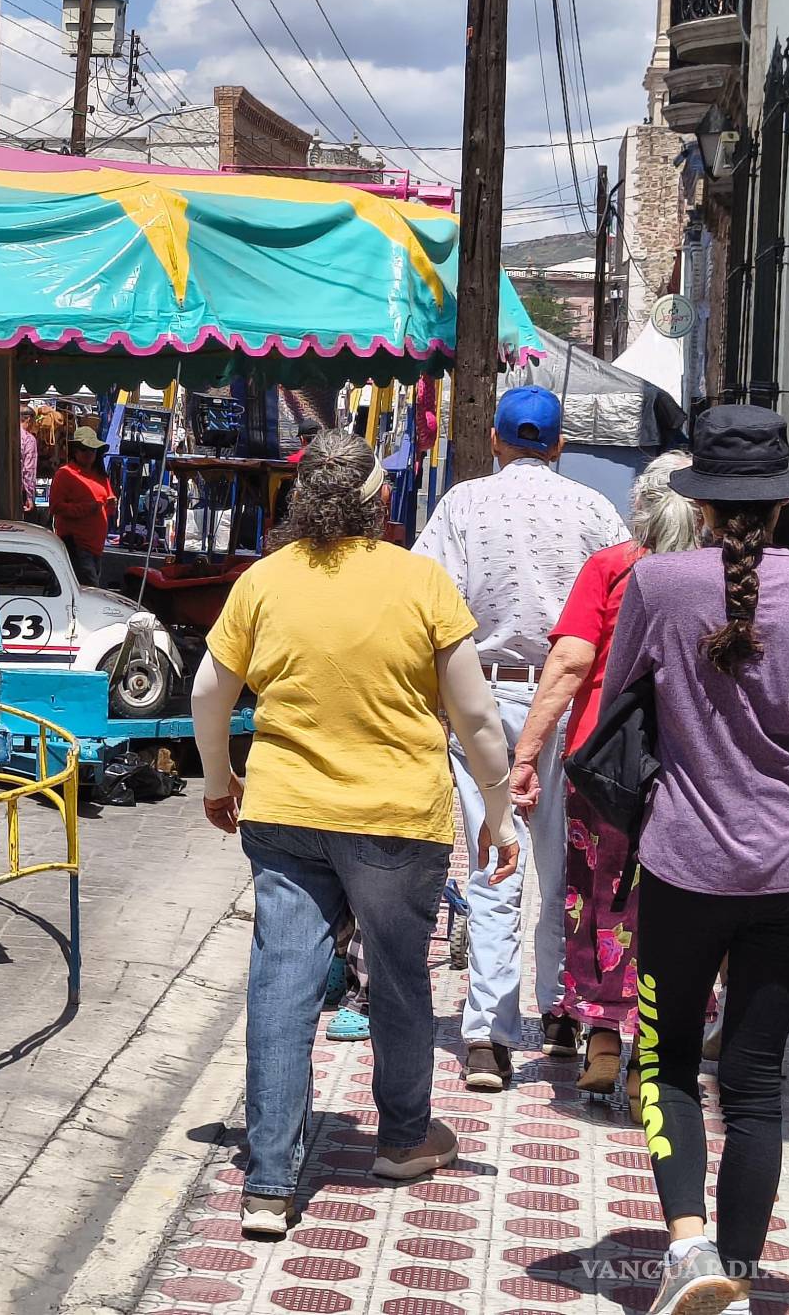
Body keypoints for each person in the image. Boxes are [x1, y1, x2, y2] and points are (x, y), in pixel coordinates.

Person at [191, 428, 518, 1238]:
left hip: (285, 814)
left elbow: (209, 692)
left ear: (301, 500)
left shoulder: (263, 582)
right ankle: (404, 1139)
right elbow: (475, 716)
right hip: (396, 820)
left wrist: (218, 777)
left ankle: (269, 1181)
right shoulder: (421, 581)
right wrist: (501, 811)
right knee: (401, 978)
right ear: (379, 502)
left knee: (281, 984)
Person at [594, 407, 789, 1315]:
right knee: (757, 1078)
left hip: (686, 867)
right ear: (779, 508)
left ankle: (687, 1247)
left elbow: (622, 704)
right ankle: (736, 1276)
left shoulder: (660, 587)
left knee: (665, 1063)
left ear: (700, 507)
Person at [413, 386, 627, 1091]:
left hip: (484, 692)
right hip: (571, 700)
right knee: (565, 867)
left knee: (492, 863)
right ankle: (562, 1013)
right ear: (559, 445)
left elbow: (427, 599)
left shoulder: (463, 505)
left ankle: (487, 1039)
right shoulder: (596, 511)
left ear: (498, 441)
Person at [508, 452, 697, 1113]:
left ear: (639, 508)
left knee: (597, 898)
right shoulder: (720, 577)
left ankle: (601, 1038)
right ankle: (659, 1050)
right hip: (694, 771)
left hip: (606, 765)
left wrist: (526, 754)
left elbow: (567, 663)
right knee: (679, 909)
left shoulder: (613, 568)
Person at [48, 426, 115, 586]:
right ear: (75, 451)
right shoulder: (65, 474)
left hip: (96, 547)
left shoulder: (100, 475)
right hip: (77, 545)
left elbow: (107, 501)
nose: (89, 454)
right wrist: (87, 508)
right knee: (89, 590)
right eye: (84, 449)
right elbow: (56, 507)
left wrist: (111, 503)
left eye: (92, 449)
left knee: (90, 589)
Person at [19, 405, 39, 515]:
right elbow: (28, 470)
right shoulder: (29, 439)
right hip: (21, 492)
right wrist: (30, 496)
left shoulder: (8, 435)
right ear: (28, 419)